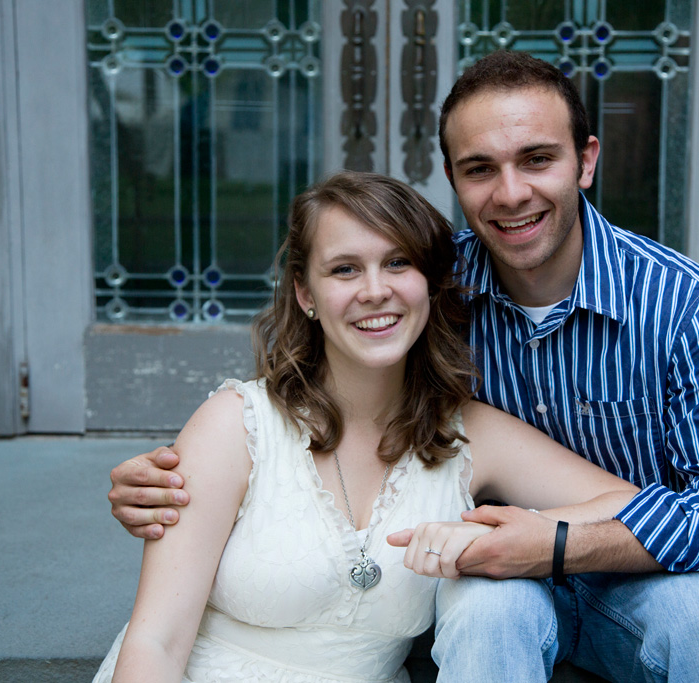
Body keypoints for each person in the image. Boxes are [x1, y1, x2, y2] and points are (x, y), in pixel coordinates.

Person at [109, 52, 699, 681]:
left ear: (585, 161)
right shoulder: (431, 279)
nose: (511, 193)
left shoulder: (681, 302)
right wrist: (174, 479)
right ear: (454, 178)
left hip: (644, 569)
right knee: (488, 612)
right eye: (480, 168)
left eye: (537, 159)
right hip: (492, 579)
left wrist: (554, 543)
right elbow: (311, 378)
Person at [93, 170, 639, 682]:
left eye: (398, 263)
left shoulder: (470, 434)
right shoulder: (236, 425)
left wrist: (512, 532)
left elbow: (630, 507)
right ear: (306, 294)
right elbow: (157, 642)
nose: (375, 290)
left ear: (430, 284)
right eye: (345, 269)